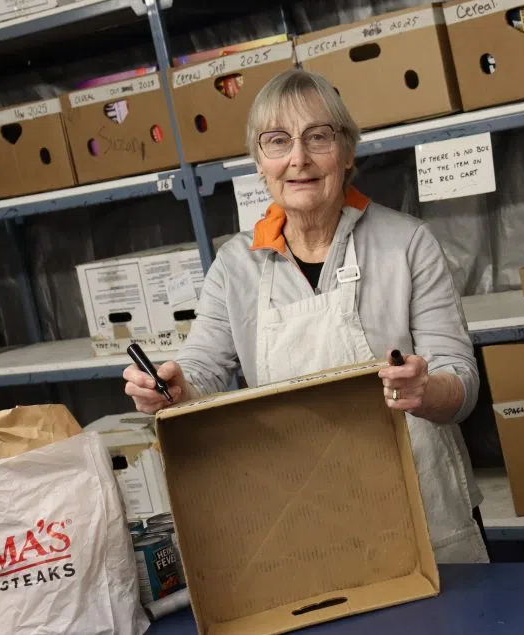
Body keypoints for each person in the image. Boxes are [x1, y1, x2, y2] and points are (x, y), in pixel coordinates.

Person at [123, 69, 489, 564]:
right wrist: (172, 388)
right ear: (259, 161)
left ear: (347, 151)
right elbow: (202, 369)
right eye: (278, 141)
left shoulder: (408, 244)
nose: (299, 158)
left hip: (425, 508)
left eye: (318, 137)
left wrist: (426, 392)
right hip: (307, 514)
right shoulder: (236, 266)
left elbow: (460, 381)